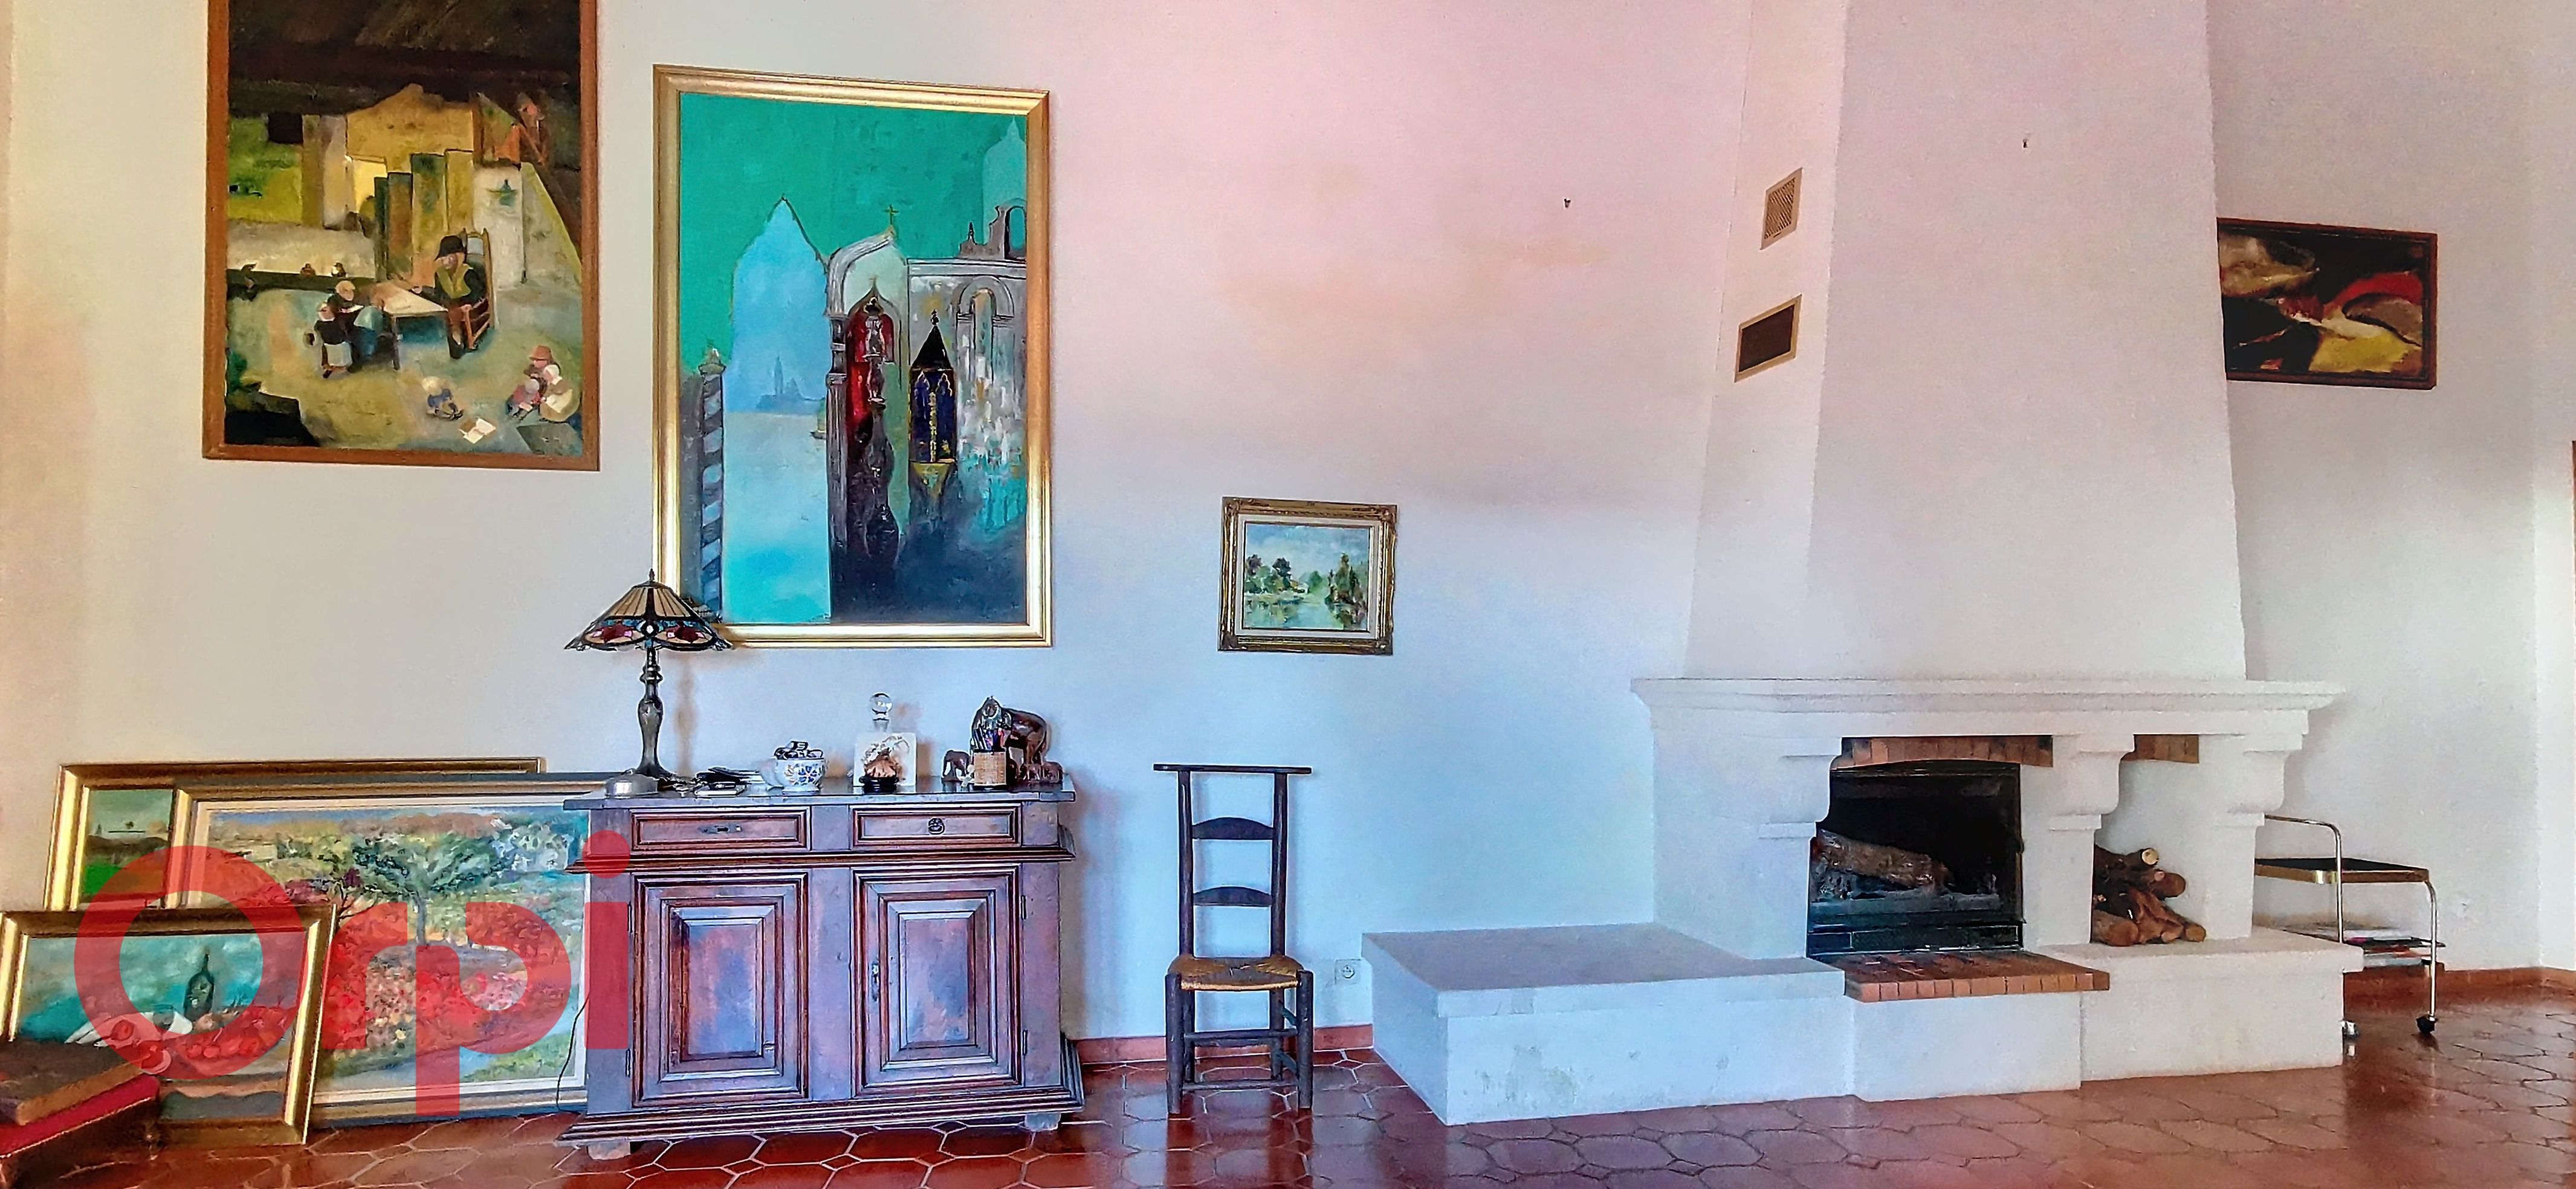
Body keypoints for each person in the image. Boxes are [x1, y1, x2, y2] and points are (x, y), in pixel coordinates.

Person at [421, 234, 488, 358]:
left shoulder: (467, 273)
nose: (445, 262)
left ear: (457, 257)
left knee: (453, 313)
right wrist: (422, 291)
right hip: (451, 305)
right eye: (443, 258)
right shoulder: (440, 274)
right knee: (449, 311)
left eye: (449, 257)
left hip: (469, 305)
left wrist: (470, 304)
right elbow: (439, 295)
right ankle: (456, 341)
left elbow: (480, 292)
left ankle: (458, 342)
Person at [315, 279, 367, 376]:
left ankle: (351, 364)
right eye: (340, 293)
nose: (342, 295)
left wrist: (351, 311)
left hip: (350, 323)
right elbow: (331, 311)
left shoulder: (359, 299)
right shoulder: (334, 300)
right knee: (327, 335)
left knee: (353, 338)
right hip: (337, 324)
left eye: (345, 292)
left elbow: (361, 308)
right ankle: (328, 365)